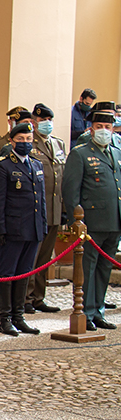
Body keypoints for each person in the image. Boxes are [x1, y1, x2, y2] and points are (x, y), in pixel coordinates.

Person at [62, 109, 121, 331]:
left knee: (104, 268)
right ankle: (85, 312)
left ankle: (98, 311)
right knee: (88, 268)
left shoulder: (117, 152)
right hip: (91, 222)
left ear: (113, 129)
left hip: (114, 220)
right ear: (91, 129)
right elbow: (71, 191)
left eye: (108, 127)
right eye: (99, 127)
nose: (104, 131)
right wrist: (76, 222)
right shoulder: (80, 153)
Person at [0, 122, 47, 336]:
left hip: (33, 228)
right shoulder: (2, 166)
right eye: (21, 140)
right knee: (7, 274)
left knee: (24, 274)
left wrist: (43, 224)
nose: (25, 144)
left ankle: (18, 316)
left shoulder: (37, 165)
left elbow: (41, 199)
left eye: (28, 140)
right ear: (12, 141)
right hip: (12, 230)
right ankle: (4, 319)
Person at [25, 104, 65, 314]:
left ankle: (39, 297)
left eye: (49, 120)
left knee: (45, 257)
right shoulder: (29, 144)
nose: (46, 124)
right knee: (32, 256)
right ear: (33, 122)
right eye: (42, 120)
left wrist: (64, 208)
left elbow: (62, 177)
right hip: (35, 210)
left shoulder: (58, 144)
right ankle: (26, 297)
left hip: (54, 209)